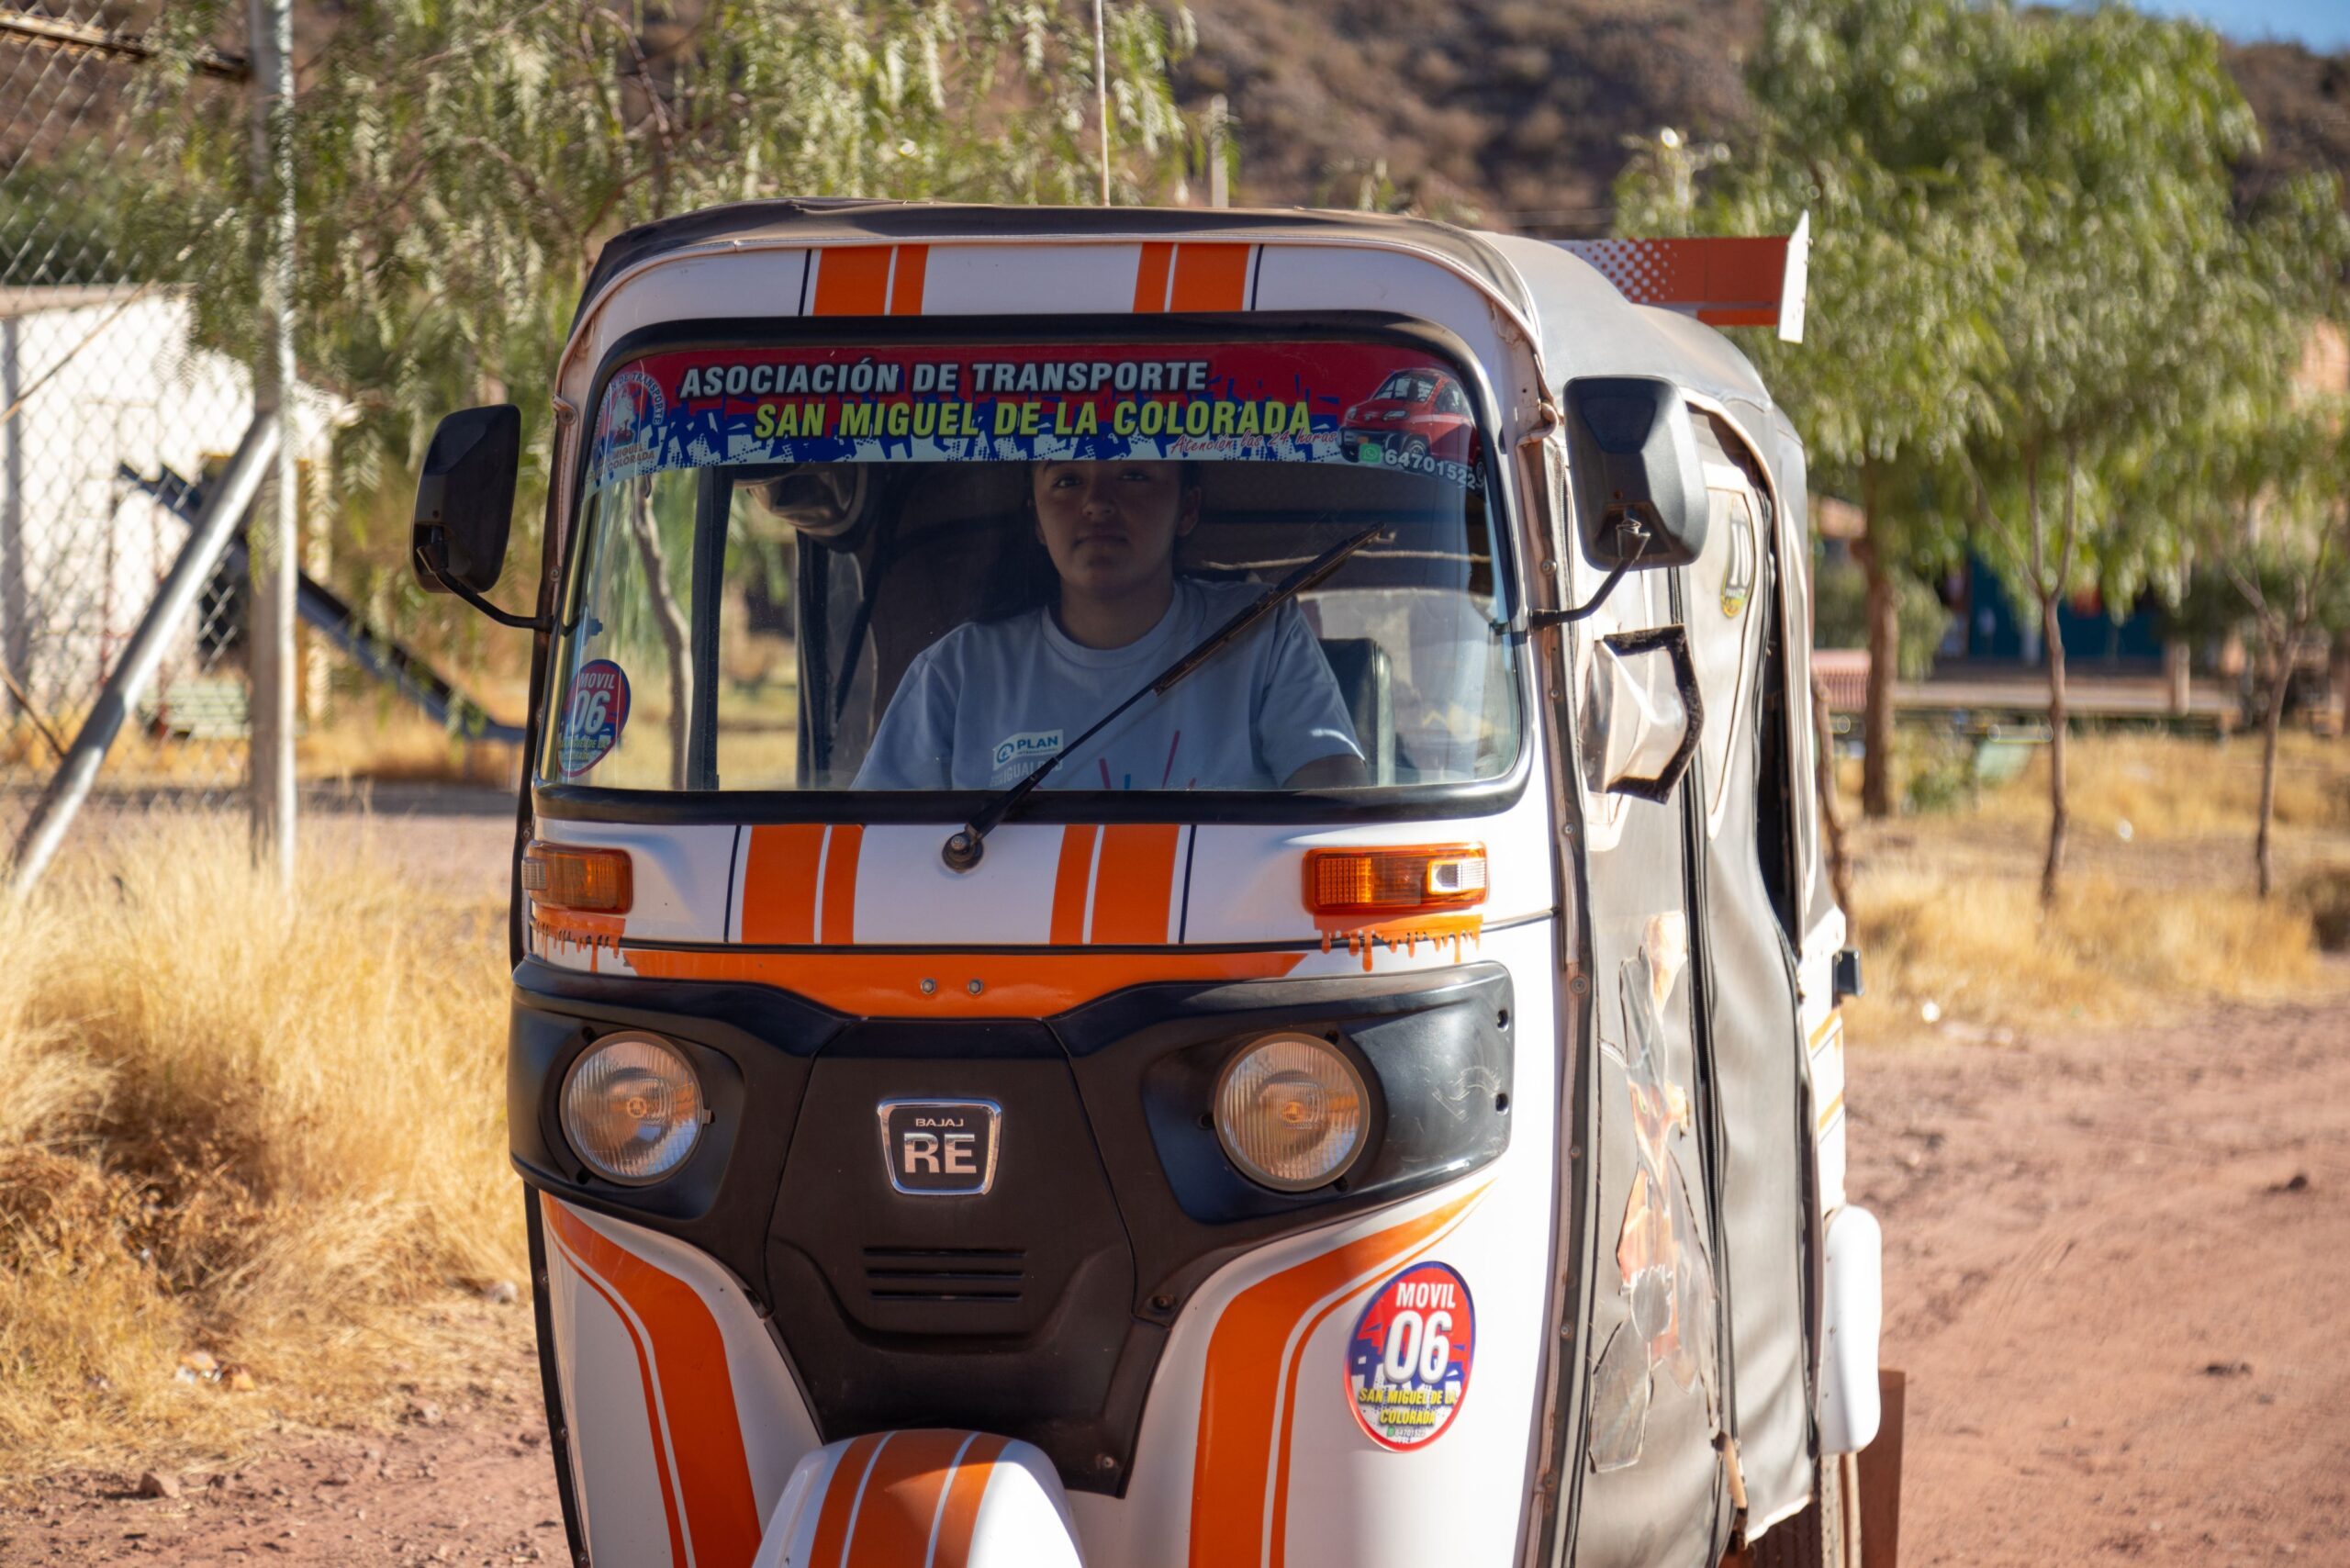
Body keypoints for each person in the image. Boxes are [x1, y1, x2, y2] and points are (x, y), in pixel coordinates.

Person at [854, 458, 1367, 790]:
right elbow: (875, 853)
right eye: (1067, 481)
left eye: (1134, 475)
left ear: (1187, 507)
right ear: (1036, 517)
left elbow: (1333, 807)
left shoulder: (1263, 634)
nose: (1097, 503)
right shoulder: (955, 674)